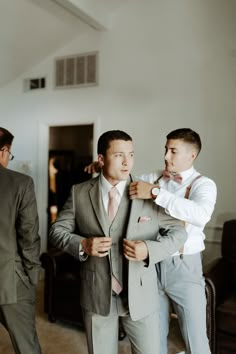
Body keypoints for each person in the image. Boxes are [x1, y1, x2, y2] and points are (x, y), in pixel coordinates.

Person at [49, 130, 187, 354]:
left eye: (131, 155)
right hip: (96, 295)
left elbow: (178, 233)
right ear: (101, 159)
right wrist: (82, 244)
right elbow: (57, 230)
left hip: (142, 297)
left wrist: (149, 249)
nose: (127, 163)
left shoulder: (148, 192)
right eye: (119, 155)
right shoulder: (80, 193)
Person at [129, 128, 217, 354]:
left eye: (173, 151)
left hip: (184, 267)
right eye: (166, 150)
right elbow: (127, 184)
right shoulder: (154, 177)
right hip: (151, 264)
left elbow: (200, 214)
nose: (166, 156)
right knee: (153, 337)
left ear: (192, 155)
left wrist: (157, 193)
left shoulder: (204, 184)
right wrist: (104, 170)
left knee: (196, 340)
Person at [0, 127, 42, 354]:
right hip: (11, 281)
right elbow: (29, 236)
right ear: (3, 151)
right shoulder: (20, 183)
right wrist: (34, 275)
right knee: (27, 346)